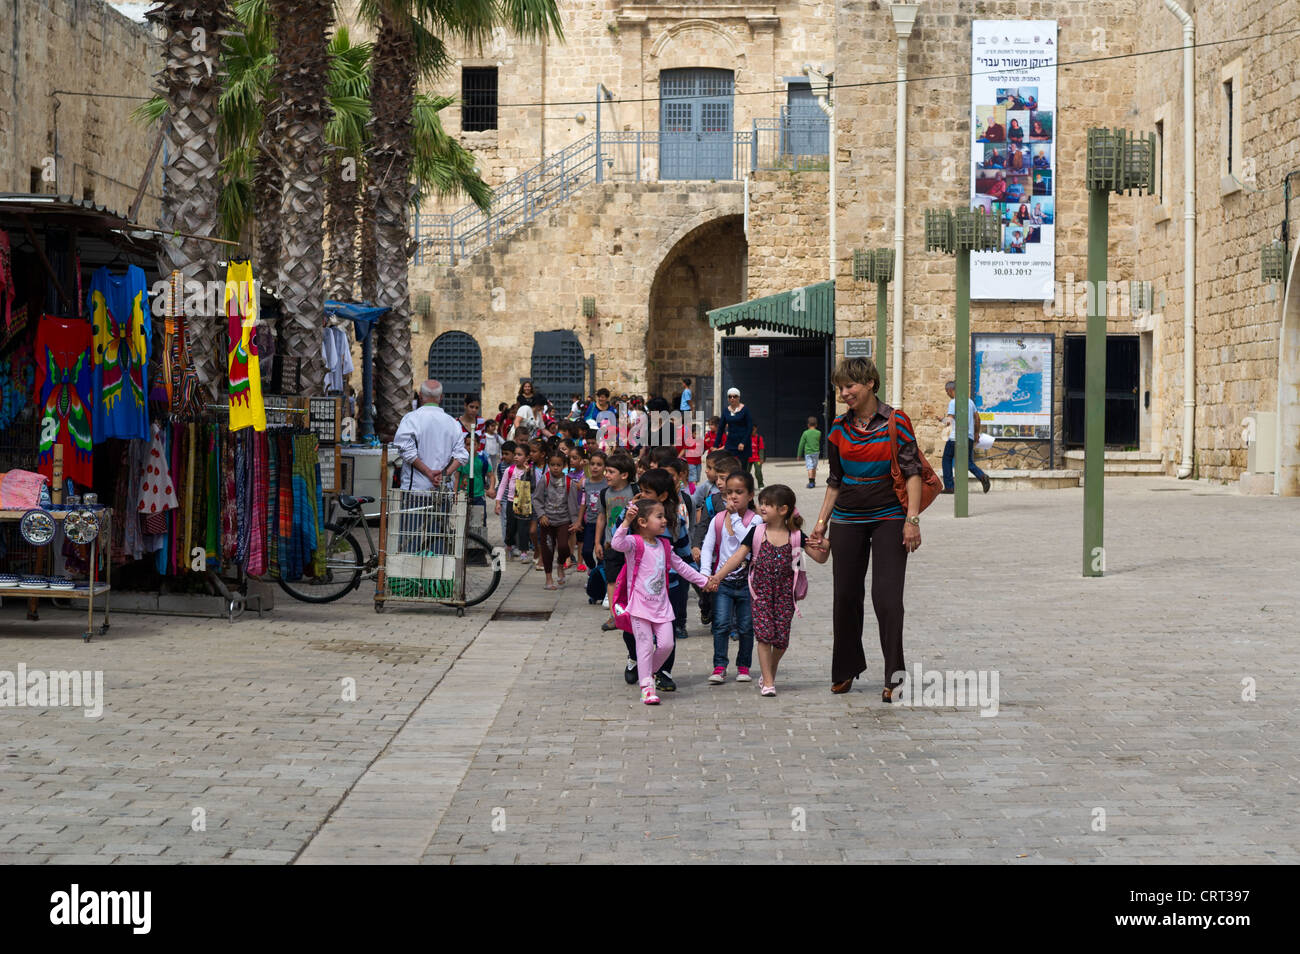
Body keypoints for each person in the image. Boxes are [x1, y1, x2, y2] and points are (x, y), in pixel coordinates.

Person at [808, 357, 922, 701]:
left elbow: (912, 470)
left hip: (889, 517)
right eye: (840, 388)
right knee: (845, 596)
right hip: (847, 520)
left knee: (886, 598)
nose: (844, 393)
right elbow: (834, 481)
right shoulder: (838, 429)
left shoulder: (896, 421)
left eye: (850, 386)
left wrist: (912, 520)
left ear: (870, 383)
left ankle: (894, 676)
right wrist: (820, 524)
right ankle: (846, 669)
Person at [707, 484, 819, 696]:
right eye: (762, 503)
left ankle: (769, 671)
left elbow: (820, 558)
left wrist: (826, 545)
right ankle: (768, 682)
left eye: (768, 504)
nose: (762, 507)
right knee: (765, 637)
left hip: (786, 596)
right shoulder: (757, 532)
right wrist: (718, 577)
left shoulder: (796, 535)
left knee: (781, 641)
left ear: (783, 509)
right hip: (760, 594)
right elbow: (738, 556)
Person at [611, 499, 709, 706]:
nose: (664, 520)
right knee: (645, 646)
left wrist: (705, 581)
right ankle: (647, 686)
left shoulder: (665, 545)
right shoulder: (634, 543)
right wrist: (626, 522)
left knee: (667, 644)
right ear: (643, 522)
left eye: (664, 516)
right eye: (659, 516)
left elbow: (682, 567)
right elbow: (616, 544)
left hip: (662, 607)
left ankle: (647, 671)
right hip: (639, 607)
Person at [699, 469, 758, 685]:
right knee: (721, 625)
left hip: (747, 583)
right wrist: (706, 573)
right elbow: (707, 548)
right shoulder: (717, 519)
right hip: (722, 583)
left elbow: (748, 542)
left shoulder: (756, 519)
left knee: (745, 627)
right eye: (729, 492)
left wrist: (734, 517)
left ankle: (743, 666)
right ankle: (720, 665)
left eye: (739, 492)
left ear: (750, 495)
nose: (733, 496)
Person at [393, 379, 469, 491]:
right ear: (441, 397)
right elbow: (461, 455)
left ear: (420, 396)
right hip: (443, 491)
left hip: (415, 490)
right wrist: (443, 476)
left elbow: (406, 450)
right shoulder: (453, 423)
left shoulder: (411, 419)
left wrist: (429, 473)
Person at [594, 452, 638, 640]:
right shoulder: (605, 494)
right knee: (612, 580)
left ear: (624, 475)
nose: (606, 475)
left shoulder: (635, 491)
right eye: (606, 471)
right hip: (612, 544)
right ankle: (615, 615)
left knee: (633, 579)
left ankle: (635, 612)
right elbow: (602, 517)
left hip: (632, 545)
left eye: (611, 471)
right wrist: (597, 542)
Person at [536, 450, 583, 589]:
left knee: (564, 547)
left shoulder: (569, 482)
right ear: (548, 465)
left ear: (564, 466)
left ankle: (560, 564)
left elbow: (574, 504)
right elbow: (537, 499)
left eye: (558, 465)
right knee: (547, 549)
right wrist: (541, 515)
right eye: (552, 464)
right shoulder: (545, 479)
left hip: (564, 520)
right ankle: (548, 579)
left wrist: (575, 522)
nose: (555, 468)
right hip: (547, 521)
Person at [942, 380, 990, 494]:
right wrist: (976, 433)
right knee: (967, 462)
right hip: (968, 437)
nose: (947, 394)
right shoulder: (970, 402)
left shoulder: (954, 402)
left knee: (946, 459)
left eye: (946, 392)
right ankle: (982, 476)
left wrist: (941, 420)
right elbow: (977, 418)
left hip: (956, 437)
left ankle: (949, 486)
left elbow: (949, 421)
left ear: (950, 390)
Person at [495, 443, 533, 559]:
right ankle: (509, 546)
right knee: (510, 527)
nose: (516, 457)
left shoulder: (530, 471)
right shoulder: (509, 470)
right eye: (515, 454)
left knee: (523, 528)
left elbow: (530, 486)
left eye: (519, 455)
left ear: (527, 458)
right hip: (511, 502)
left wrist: (527, 472)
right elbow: (502, 486)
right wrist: (498, 502)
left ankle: (524, 551)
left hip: (524, 503)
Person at [719, 387, 755, 473]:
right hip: (731, 443)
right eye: (730, 396)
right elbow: (721, 428)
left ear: (738, 397)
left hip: (742, 444)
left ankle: (744, 485)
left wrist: (743, 442)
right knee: (729, 467)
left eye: (735, 396)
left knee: (742, 469)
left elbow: (749, 427)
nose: (732, 398)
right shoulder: (725, 411)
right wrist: (716, 445)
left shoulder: (745, 410)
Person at [797, 416, 822, 488]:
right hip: (816, 452)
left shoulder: (805, 433)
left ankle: (811, 483)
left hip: (808, 453)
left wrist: (799, 455)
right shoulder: (819, 433)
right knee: (814, 467)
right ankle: (813, 481)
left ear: (808, 424)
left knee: (809, 467)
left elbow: (801, 444)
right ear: (816, 425)